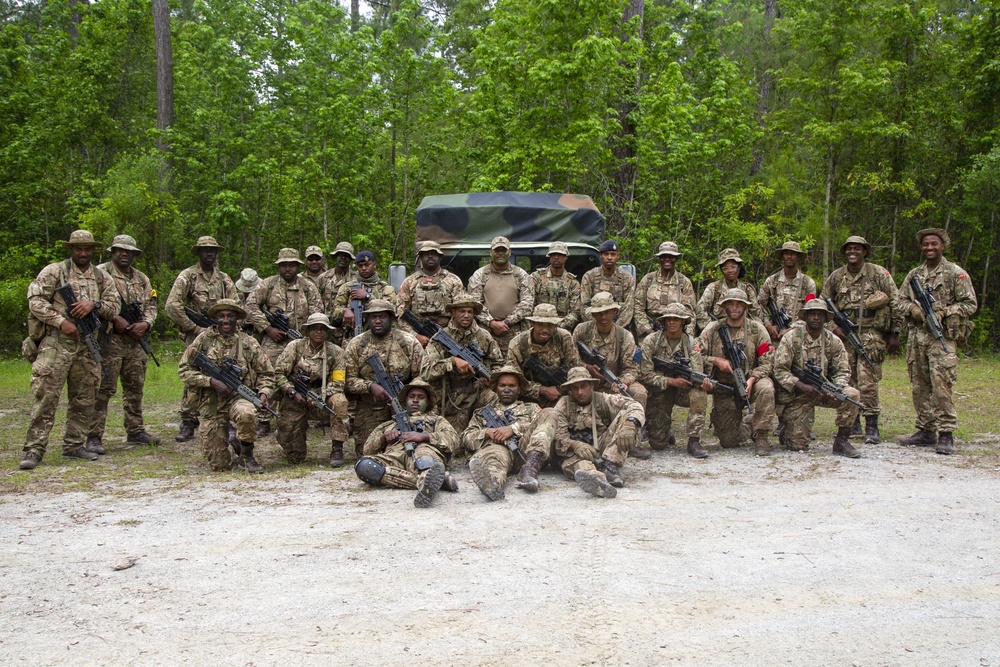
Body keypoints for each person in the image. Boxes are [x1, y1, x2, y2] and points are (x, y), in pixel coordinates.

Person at [19, 230, 120, 470]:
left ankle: (74, 445)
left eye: (87, 249)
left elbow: (114, 306)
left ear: (93, 250)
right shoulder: (54, 271)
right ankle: (35, 449)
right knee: (46, 397)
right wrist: (59, 321)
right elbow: (35, 300)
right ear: (71, 249)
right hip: (56, 344)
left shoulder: (101, 276)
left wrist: (93, 305)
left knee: (85, 398)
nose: (83, 253)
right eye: (78, 248)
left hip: (87, 345)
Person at [896, 228, 978, 455]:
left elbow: (970, 304)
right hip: (917, 338)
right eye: (925, 245)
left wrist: (943, 312)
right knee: (919, 387)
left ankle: (946, 434)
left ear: (943, 246)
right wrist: (914, 309)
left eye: (934, 244)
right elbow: (899, 300)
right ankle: (926, 430)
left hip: (942, 338)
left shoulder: (955, 273)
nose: (929, 248)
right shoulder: (914, 275)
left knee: (942, 386)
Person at [177, 299, 275, 473]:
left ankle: (246, 455)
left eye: (230, 316)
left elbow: (267, 374)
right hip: (210, 402)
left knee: (247, 413)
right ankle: (232, 442)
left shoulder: (248, 342)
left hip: (239, 398)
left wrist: (263, 394)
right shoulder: (203, 340)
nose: (226, 320)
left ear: (237, 318)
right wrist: (211, 382)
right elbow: (184, 370)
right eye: (221, 316)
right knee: (219, 465)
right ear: (215, 318)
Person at [820, 235, 900, 444]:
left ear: (865, 251)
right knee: (846, 379)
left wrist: (894, 333)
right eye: (849, 249)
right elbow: (822, 306)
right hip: (844, 335)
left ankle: (872, 425)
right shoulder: (836, 277)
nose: (852, 252)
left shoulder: (878, 273)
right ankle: (852, 422)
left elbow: (896, 302)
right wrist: (833, 327)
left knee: (868, 381)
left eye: (857, 248)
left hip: (871, 334)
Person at [87, 234, 160, 454]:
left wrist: (145, 324)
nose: (124, 254)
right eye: (120, 250)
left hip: (135, 342)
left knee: (135, 388)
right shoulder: (99, 273)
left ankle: (135, 431)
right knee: (104, 389)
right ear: (113, 252)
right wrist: (112, 317)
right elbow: (90, 303)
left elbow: (151, 306)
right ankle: (93, 436)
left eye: (129, 251)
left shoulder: (142, 278)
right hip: (109, 341)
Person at [164, 235, 238, 442]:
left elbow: (236, 305)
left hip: (223, 335)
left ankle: (226, 417)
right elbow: (172, 305)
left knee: (225, 373)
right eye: (205, 250)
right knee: (194, 376)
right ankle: (188, 420)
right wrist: (194, 328)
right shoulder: (188, 276)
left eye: (212, 250)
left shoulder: (224, 279)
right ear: (198, 252)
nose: (209, 253)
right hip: (197, 336)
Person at [245, 247, 324, 435]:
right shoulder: (268, 284)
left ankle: (302, 415)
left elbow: (318, 311)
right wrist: (267, 328)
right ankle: (264, 418)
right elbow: (250, 305)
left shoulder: (307, 286)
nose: (287, 268)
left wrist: (309, 335)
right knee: (269, 375)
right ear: (279, 266)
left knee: (302, 376)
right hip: (274, 341)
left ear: (297, 266)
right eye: (284, 265)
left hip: (301, 341)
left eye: (291, 265)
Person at [771, 299, 862, 457]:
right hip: (798, 395)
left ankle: (842, 441)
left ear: (825, 318)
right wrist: (800, 385)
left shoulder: (833, 341)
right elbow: (779, 370)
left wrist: (837, 388)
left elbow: (843, 370)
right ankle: (787, 428)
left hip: (824, 392)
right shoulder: (791, 338)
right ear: (805, 316)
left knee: (852, 395)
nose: (815, 317)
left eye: (820, 314)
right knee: (796, 445)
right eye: (812, 314)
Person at [354, 379, 460, 508]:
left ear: (428, 402)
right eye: (412, 396)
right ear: (405, 400)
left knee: (425, 461)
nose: (415, 400)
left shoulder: (436, 420)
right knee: (364, 465)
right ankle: (433, 481)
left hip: (423, 451)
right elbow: (367, 450)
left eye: (421, 397)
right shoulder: (389, 424)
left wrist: (425, 436)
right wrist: (383, 438)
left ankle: (427, 479)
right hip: (395, 456)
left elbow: (454, 439)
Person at [544, 367, 644, 498]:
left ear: (591, 385)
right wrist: (575, 445)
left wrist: (631, 423)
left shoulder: (604, 399)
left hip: (603, 446)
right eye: (575, 388)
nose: (580, 392)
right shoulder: (564, 404)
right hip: (577, 452)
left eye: (583, 386)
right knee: (580, 465)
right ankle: (596, 480)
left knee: (627, 417)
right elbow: (558, 436)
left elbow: (634, 405)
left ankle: (610, 466)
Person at [572, 291, 650, 459]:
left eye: (607, 312)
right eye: (599, 313)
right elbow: (570, 360)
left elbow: (632, 368)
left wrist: (623, 382)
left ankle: (632, 441)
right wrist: (587, 368)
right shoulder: (582, 331)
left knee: (639, 392)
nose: (603, 316)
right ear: (593, 314)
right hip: (585, 384)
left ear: (614, 312)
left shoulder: (624, 335)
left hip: (613, 382)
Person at [699, 288, 776, 455]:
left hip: (750, 382)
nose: (735, 308)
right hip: (724, 387)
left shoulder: (757, 329)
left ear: (745, 307)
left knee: (766, 387)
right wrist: (716, 361)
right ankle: (749, 424)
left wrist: (752, 379)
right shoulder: (713, 329)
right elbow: (696, 355)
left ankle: (761, 435)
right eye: (731, 304)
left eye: (739, 304)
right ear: (724, 307)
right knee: (728, 442)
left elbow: (768, 362)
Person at [343, 299, 426, 445]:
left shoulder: (408, 342)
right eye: (373, 317)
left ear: (392, 319)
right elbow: (348, 381)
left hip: (405, 405)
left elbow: (422, 377)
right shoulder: (357, 344)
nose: (377, 321)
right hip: (370, 406)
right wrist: (370, 386)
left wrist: (405, 395)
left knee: (410, 443)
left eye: (382, 316)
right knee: (367, 451)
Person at [272, 313, 350, 466]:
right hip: (295, 399)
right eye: (314, 328)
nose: (319, 332)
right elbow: (279, 374)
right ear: (307, 331)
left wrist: (321, 395)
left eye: (323, 329)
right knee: (296, 458)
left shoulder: (336, 352)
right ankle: (285, 436)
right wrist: (292, 392)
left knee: (340, 401)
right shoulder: (295, 347)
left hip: (322, 400)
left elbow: (338, 381)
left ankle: (337, 448)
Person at [420, 292, 503, 432]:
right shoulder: (440, 338)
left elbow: (498, 362)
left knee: (498, 396)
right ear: (453, 312)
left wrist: (493, 376)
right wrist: (452, 362)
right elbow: (426, 371)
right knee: (456, 441)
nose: (466, 315)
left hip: (478, 390)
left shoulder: (484, 336)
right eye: (462, 311)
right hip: (450, 394)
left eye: (470, 312)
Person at [638, 303, 711, 458]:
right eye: (668, 319)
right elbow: (645, 374)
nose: (671, 322)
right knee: (658, 444)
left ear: (683, 322)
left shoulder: (692, 343)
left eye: (676, 319)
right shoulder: (652, 341)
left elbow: (697, 372)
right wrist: (670, 381)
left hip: (682, 390)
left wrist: (703, 382)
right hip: (659, 392)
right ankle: (664, 431)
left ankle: (694, 441)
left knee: (699, 393)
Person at [463, 365, 545, 501]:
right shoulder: (482, 413)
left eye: (512, 385)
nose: (507, 389)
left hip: (527, 452)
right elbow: (466, 438)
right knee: (494, 455)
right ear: (496, 388)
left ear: (519, 389)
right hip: (500, 450)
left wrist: (513, 429)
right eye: (502, 385)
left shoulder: (531, 408)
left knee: (549, 412)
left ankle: (529, 469)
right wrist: (487, 432)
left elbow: (544, 425)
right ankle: (492, 484)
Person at [467, 236, 535, 354]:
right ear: (490, 252)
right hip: (486, 330)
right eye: (496, 250)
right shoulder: (480, 275)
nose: (500, 254)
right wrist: (491, 323)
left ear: (510, 252)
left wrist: (508, 321)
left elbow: (527, 304)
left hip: (514, 331)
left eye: (503, 250)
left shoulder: (521, 275)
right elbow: (474, 303)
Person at [506, 304, 581, 408]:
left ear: (556, 325)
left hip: (561, 396)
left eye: (550, 325)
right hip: (528, 401)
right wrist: (542, 390)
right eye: (540, 324)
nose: (545, 330)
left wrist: (560, 389)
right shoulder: (518, 344)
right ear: (532, 323)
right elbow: (512, 381)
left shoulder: (564, 338)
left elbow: (575, 370)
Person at [395, 241, 466, 344]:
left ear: (440, 256)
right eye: (426, 254)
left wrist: (448, 334)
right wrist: (416, 336)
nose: (430, 256)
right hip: (416, 341)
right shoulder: (409, 282)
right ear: (420, 257)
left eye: (433, 253)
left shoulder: (453, 280)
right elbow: (400, 313)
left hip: (448, 338)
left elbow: (461, 311)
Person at [633, 241, 697, 341]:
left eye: (671, 256)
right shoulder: (648, 280)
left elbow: (689, 311)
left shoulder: (684, 282)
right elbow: (637, 307)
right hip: (650, 330)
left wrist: (687, 336)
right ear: (659, 258)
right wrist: (648, 330)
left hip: (677, 330)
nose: (667, 259)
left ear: (676, 258)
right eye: (663, 256)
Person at [331, 250, 396, 345]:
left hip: (380, 340)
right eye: (360, 266)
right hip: (352, 339)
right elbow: (333, 313)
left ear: (374, 264)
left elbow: (392, 311)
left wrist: (367, 296)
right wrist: (344, 311)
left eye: (367, 265)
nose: (363, 268)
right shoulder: (347, 287)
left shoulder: (386, 288)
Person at [757, 241, 817, 343]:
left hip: (799, 335)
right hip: (775, 335)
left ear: (798, 256)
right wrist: (768, 326)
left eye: (793, 253)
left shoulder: (808, 283)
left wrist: (791, 329)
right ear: (782, 256)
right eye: (786, 253)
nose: (789, 256)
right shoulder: (771, 281)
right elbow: (760, 305)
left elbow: (811, 311)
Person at [696, 248, 762, 332]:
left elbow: (756, 314)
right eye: (725, 268)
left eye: (733, 267)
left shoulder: (747, 289)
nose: (730, 271)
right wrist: (712, 329)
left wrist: (755, 332)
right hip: (719, 332)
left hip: (744, 332)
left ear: (739, 268)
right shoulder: (714, 288)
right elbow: (700, 310)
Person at [580, 240, 635, 329]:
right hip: (594, 326)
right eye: (606, 254)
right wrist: (599, 326)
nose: (609, 257)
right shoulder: (590, 276)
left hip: (619, 327)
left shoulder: (626, 278)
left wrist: (615, 328)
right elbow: (584, 306)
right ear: (601, 255)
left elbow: (629, 308)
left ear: (618, 255)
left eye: (613, 254)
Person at [531, 241, 582, 332]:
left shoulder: (573, 283)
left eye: (560, 254)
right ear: (549, 257)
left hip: (561, 328)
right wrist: (537, 325)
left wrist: (561, 326)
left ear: (566, 257)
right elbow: (529, 302)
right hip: (538, 326)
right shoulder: (536, 277)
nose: (556, 257)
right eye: (553, 254)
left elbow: (576, 311)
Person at [317, 242, 359, 345]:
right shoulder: (323, 278)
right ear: (336, 256)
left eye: (346, 256)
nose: (343, 258)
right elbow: (316, 302)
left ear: (350, 258)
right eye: (341, 255)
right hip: (327, 328)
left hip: (349, 329)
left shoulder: (356, 278)